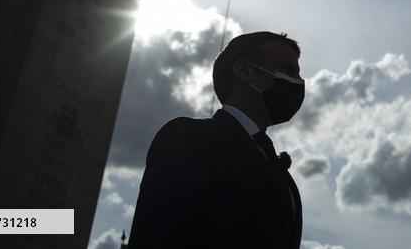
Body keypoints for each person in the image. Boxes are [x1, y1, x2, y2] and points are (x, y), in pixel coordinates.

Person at [127, 31, 305, 248]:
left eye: (298, 75)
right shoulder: (190, 139)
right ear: (245, 71)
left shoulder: (285, 178)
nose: (297, 83)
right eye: (287, 70)